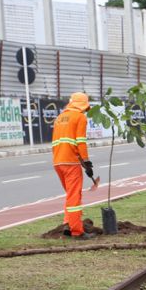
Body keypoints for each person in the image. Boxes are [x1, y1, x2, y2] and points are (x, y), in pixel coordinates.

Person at [52, 92, 98, 239]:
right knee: (74, 197)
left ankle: (67, 224)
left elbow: (65, 143)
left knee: (70, 195)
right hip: (71, 162)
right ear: (83, 105)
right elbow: (80, 142)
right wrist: (86, 161)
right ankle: (77, 231)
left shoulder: (59, 118)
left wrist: (83, 164)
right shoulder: (80, 117)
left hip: (58, 162)